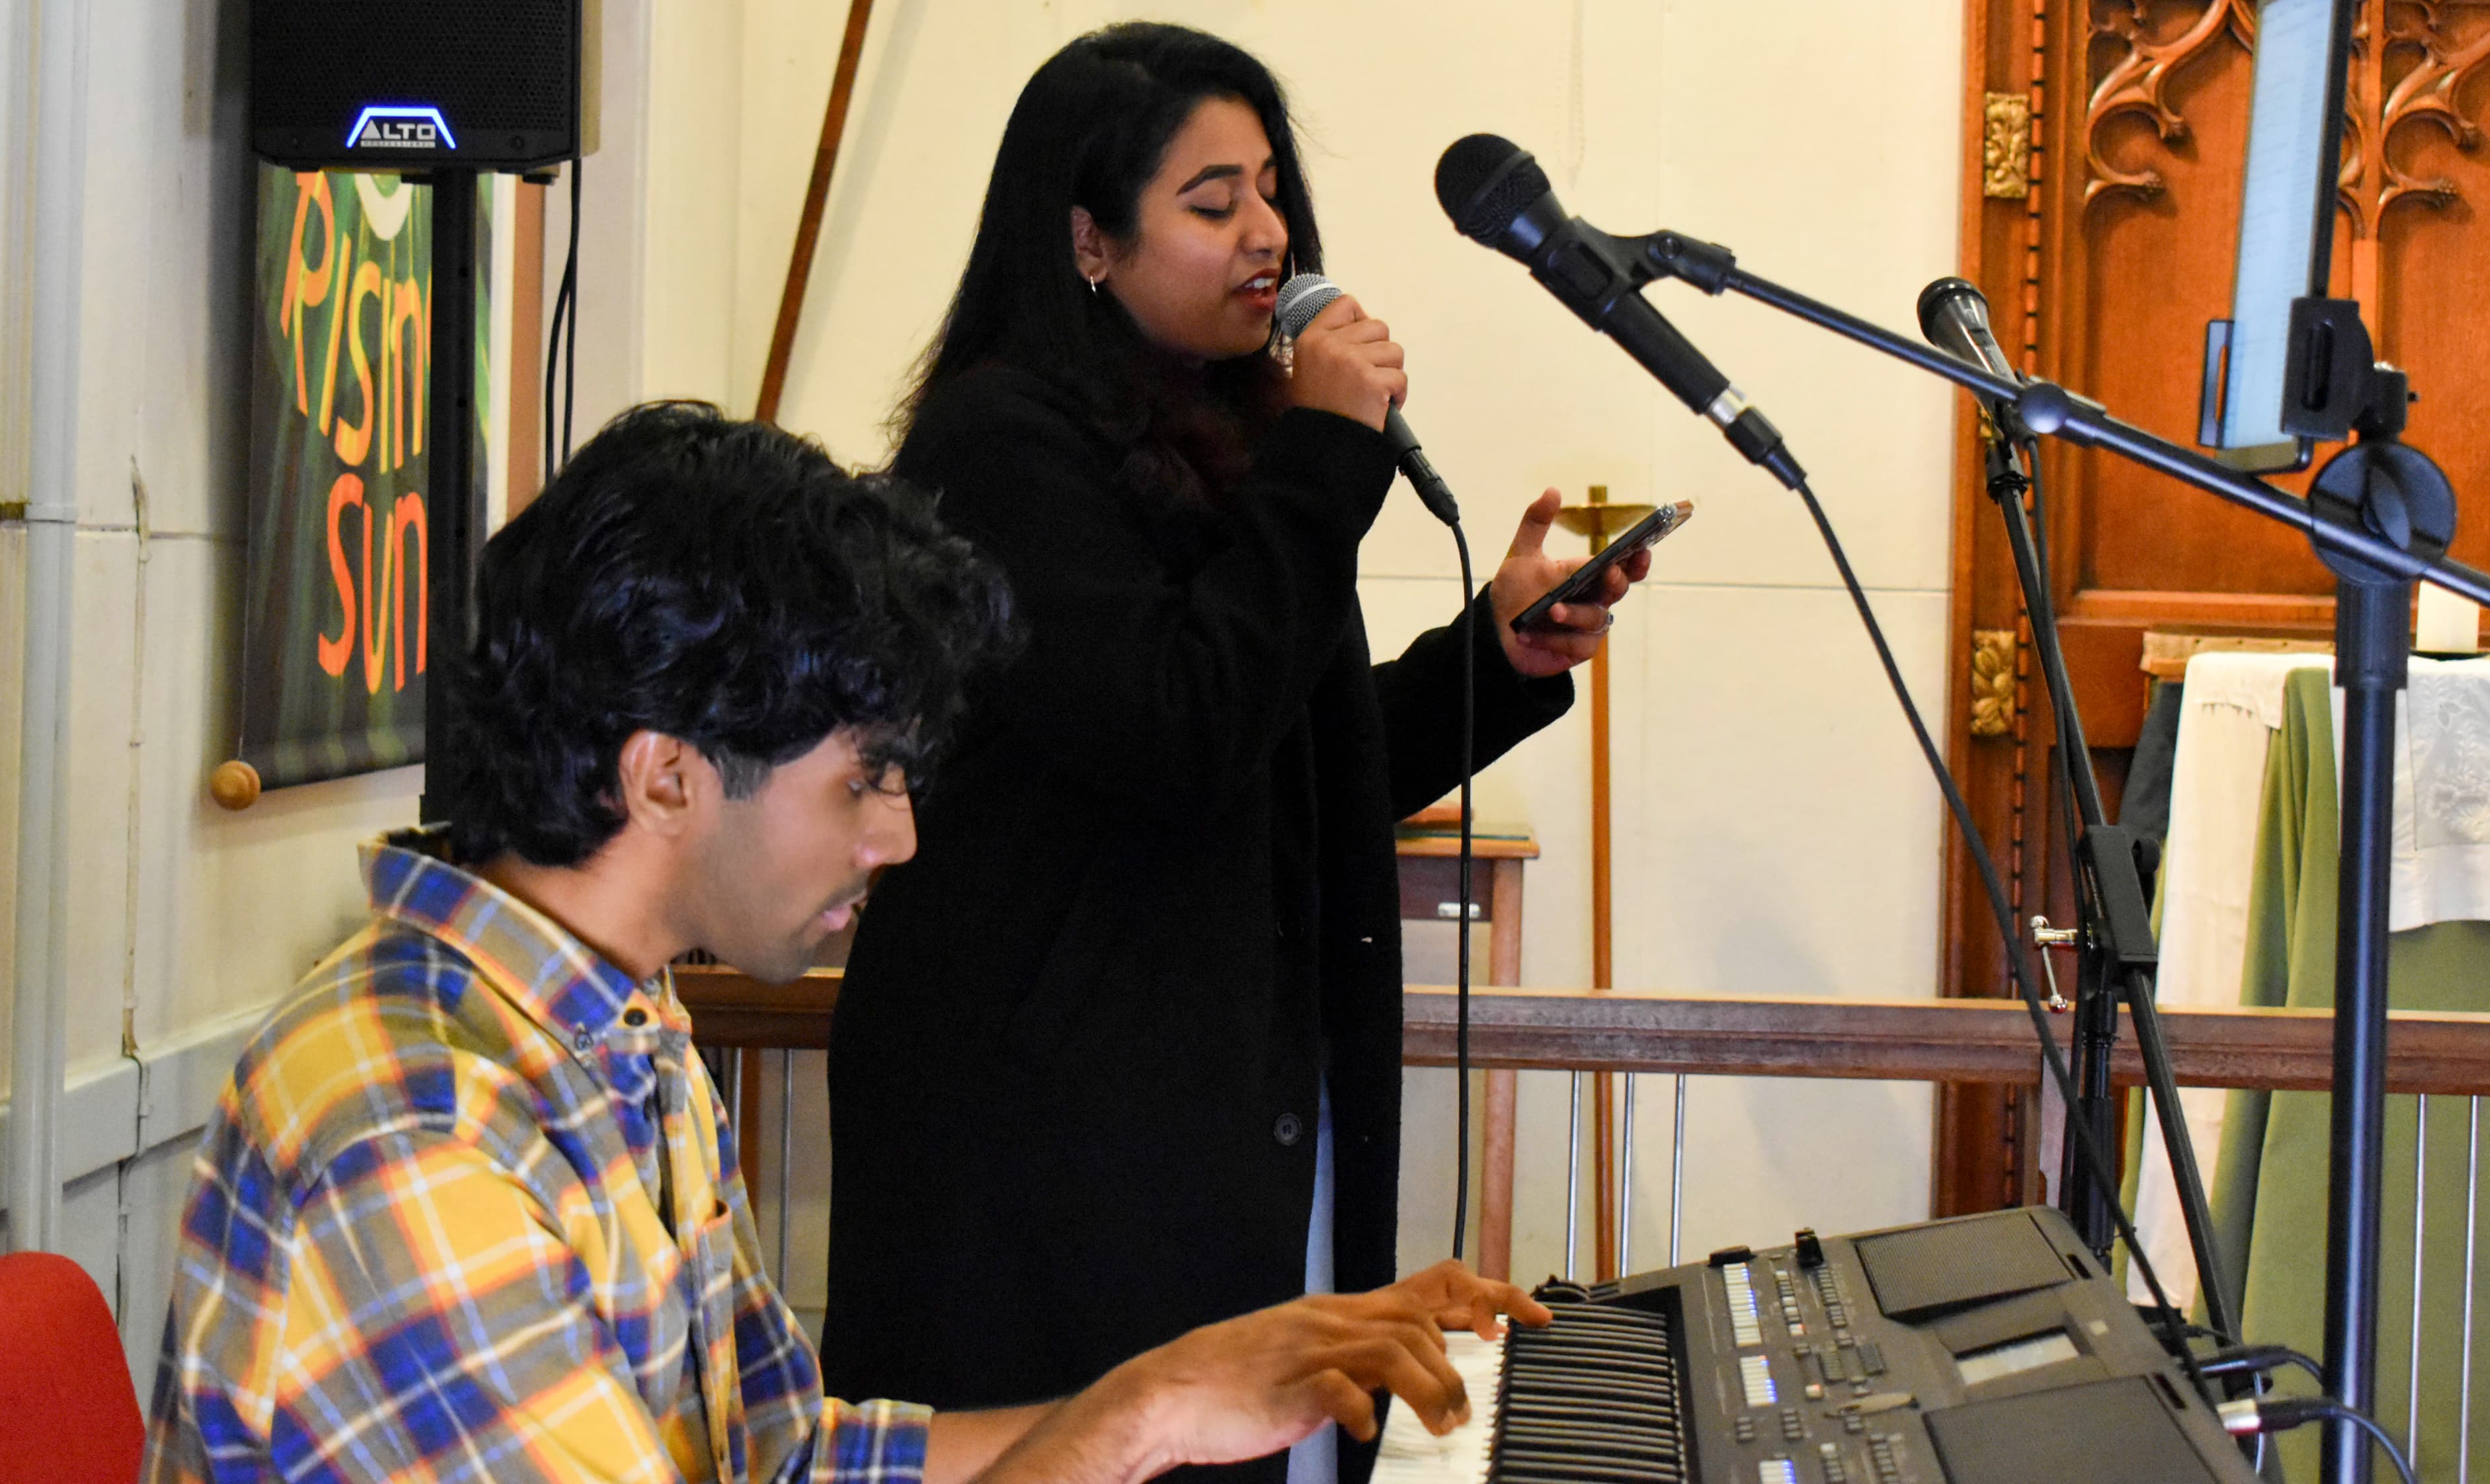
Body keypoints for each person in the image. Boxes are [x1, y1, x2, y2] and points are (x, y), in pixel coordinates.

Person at [139, 402, 1547, 1484]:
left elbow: (787, 1451)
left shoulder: (614, 1023)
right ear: (669, 775)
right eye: (862, 778)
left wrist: (1180, 1375)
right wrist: (1135, 1421)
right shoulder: (409, 1126)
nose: (900, 837)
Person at [824, 24, 1635, 1481]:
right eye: (1213, 202)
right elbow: (1177, 730)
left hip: (1205, 1114)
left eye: (1271, 189)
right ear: (1087, 237)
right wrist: (1330, 458)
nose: (1270, 234)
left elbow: (1289, 764)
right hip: (1048, 1155)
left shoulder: (1229, 431)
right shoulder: (1000, 444)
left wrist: (1493, 656)